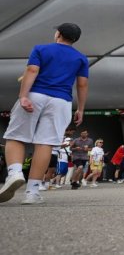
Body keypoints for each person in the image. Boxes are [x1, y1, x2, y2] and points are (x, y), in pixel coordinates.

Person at [0, 23, 89, 205]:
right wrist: (80, 109)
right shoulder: (81, 58)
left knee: (16, 136)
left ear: (58, 34)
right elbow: (82, 84)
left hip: (36, 95)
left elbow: (32, 70)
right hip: (61, 101)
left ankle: (15, 173)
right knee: (45, 143)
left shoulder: (41, 49)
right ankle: (32, 192)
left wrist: (23, 96)